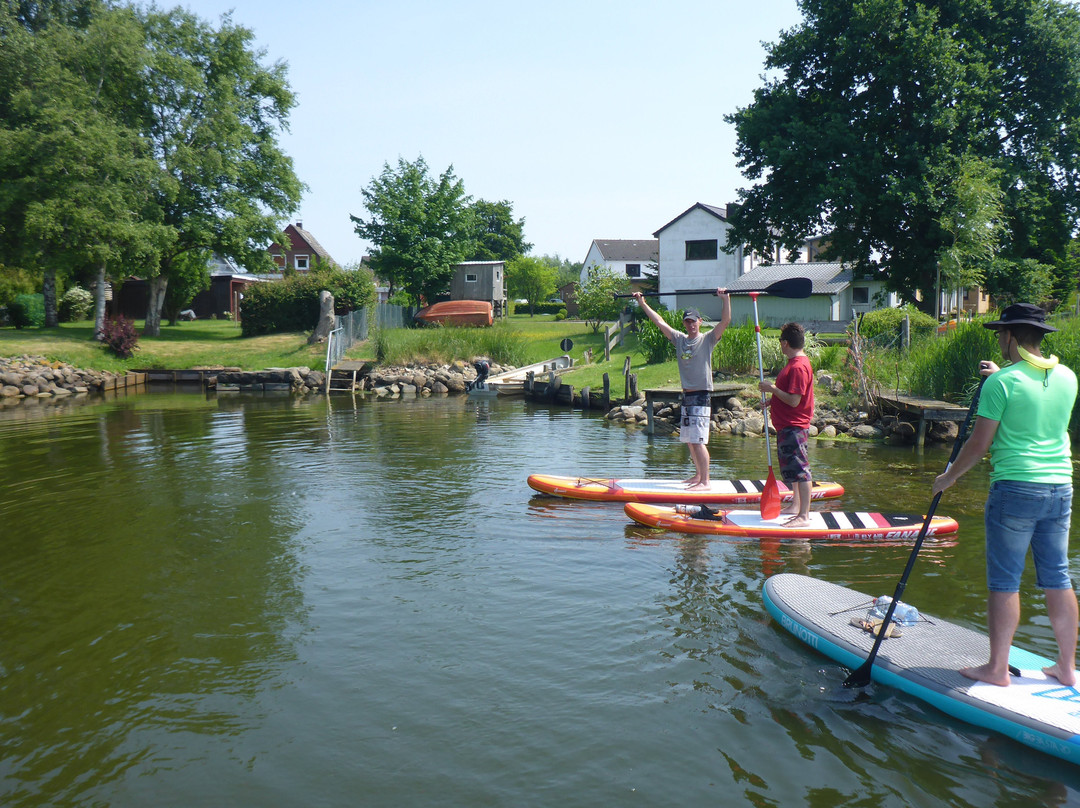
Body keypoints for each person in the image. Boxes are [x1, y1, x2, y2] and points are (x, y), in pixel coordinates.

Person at [931, 303, 1078, 687]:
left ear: (1011, 337)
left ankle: (997, 669)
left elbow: (979, 445)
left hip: (1015, 488)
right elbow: (1034, 398)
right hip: (1060, 486)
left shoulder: (1002, 383)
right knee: (1058, 577)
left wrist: (949, 477)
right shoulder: (1066, 376)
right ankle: (1066, 667)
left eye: (1000, 334)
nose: (998, 339)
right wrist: (1005, 376)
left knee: (1005, 581)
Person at [632, 289, 731, 489]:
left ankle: (705, 481)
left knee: (698, 440)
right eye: (688, 321)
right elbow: (659, 322)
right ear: (684, 323)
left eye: (694, 321)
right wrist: (642, 303)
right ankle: (697, 476)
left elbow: (725, 321)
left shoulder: (707, 339)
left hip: (701, 395)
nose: (691, 324)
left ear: (700, 322)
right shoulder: (679, 339)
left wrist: (726, 299)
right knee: (689, 439)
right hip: (687, 395)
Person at [758, 322, 815, 527]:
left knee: (801, 469)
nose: (780, 345)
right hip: (787, 426)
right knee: (792, 469)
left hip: (794, 426)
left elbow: (794, 400)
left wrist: (771, 389)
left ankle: (804, 515)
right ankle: (796, 505)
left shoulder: (798, 366)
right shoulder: (793, 363)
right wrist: (772, 400)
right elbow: (788, 394)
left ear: (785, 343)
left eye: (781, 341)